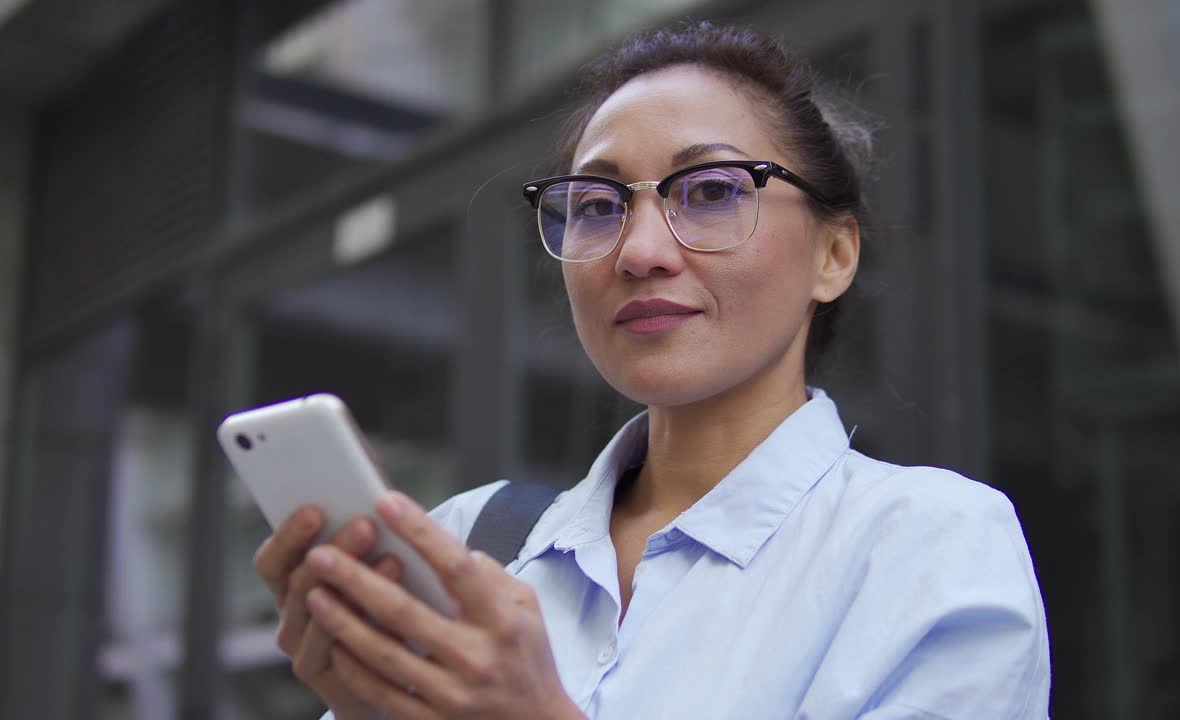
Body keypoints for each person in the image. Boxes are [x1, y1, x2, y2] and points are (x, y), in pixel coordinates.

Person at [252, 21, 1051, 720]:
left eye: (708, 191)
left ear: (833, 253)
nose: (639, 252)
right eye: (598, 205)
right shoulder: (470, 544)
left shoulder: (926, 545)